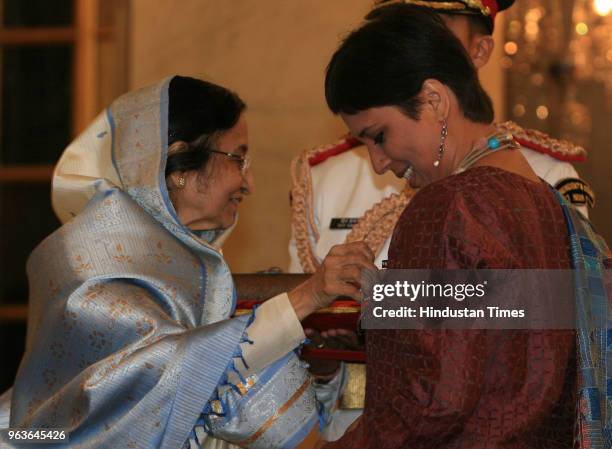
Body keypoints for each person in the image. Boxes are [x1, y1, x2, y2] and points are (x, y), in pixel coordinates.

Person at [0, 76, 375, 449]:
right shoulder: (90, 259)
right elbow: (170, 376)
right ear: (180, 165)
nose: (249, 183)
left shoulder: (184, 263)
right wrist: (306, 298)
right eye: (238, 159)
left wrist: (321, 368)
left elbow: (224, 391)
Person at [290, 0, 595, 441]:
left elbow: (432, 399)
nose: (377, 164)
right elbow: (487, 324)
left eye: (379, 136)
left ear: (434, 100)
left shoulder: (449, 206)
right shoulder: (543, 200)